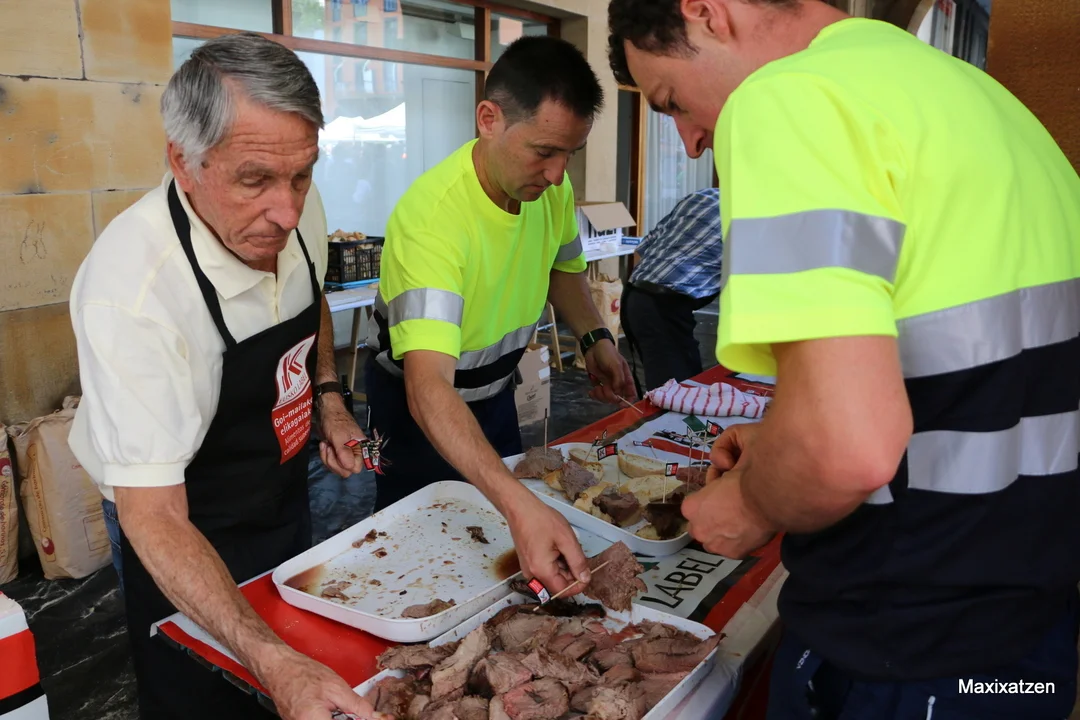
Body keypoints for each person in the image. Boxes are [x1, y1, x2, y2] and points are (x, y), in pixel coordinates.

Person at [608, 1, 1080, 718]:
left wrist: (752, 501)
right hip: (1029, 636)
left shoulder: (791, 97)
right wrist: (787, 436)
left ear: (705, 11)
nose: (693, 140)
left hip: (902, 645)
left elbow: (846, 451)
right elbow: (981, 377)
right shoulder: (981, 100)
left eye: (672, 101)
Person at [68, 34, 379, 720]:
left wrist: (327, 396)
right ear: (183, 161)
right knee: (202, 692)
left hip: (278, 486)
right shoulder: (133, 291)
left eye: (302, 175)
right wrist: (271, 661)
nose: (288, 211)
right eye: (254, 180)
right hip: (177, 515)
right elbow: (155, 516)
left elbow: (310, 298)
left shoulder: (295, 210)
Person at [365, 36, 637, 598]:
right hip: (420, 410)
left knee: (503, 542)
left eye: (570, 154)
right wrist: (519, 505)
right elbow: (427, 387)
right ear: (488, 119)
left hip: (495, 394)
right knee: (421, 559)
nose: (557, 174)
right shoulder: (433, 221)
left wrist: (595, 338)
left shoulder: (549, 191)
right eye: (544, 152)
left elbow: (564, 269)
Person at [622, 186, 722, 392]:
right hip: (664, 306)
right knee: (678, 394)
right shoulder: (752, 218)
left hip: (634, 293)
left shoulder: (703, 196)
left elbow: (641, 250)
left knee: (670, 385)